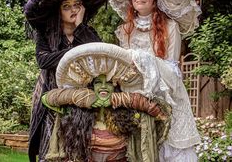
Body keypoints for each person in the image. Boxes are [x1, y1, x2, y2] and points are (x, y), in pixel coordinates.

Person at [94, 0, 202, 161]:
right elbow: (123, 67)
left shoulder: (170, 26)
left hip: (168, 95)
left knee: (169, 148)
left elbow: (172, 70)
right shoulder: (124, 30)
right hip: (135, 96)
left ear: (155, 0)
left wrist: (141, 59)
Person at [23, 0, 110, 162]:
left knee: (78, 150)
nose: (73, 9)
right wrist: (75, 53)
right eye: (66, 6)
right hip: (51, 99)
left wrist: (80, 28)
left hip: (82, 102)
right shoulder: (46, 34)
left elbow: (98, 58)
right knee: (50, 150)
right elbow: (44, 60)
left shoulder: (88, 33)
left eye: (77, 4)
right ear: (58, 11)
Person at [41, 42, 172, 161]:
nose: (103, 86)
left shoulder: (128, 114)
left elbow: (161, 114)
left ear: (115, 86)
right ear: (92, 87)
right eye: (98, 82)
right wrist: (84, 98)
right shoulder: (77, 112)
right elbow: (46, 99)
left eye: (108, 83)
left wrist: (121, 99)